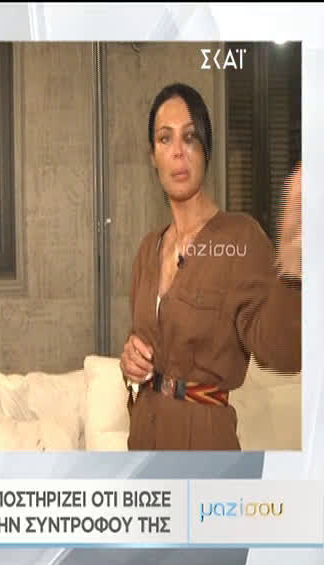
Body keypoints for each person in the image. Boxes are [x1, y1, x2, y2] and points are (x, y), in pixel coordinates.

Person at [119, 82, 301, 450]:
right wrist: (130, 364)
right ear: (152, 156)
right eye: (165, 139)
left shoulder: (241, 237)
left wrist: (292, 270)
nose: (178, 152)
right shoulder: (148, 250)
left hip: (204, 450)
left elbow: (283, 352)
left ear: (206, 148)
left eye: (190, 137)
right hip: (142, 445)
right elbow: (144, 341)